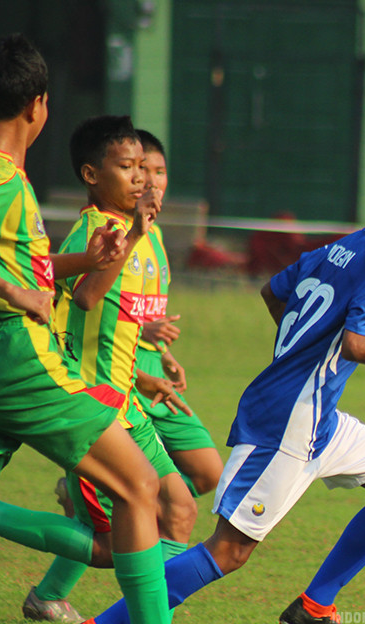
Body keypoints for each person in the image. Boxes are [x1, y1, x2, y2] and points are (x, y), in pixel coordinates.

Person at [61, 136, 365, 624]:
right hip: (290, 420)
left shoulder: (344, 245)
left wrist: (298, 350)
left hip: (315, 412)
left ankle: (315, 604)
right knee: (228, 552)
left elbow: (273, 291)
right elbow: (355, 342)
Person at [0, 34, 241, 624]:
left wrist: (69, 264)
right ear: (39, 106)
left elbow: (22, 261)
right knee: (140, 487)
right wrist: (14, 289)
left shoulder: (1, 178)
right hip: (15, 358)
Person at [18, 118, 205, 624]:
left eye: (145, 168)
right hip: (96, 403)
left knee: (181, 510)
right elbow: (84, 296)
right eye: (130, 168)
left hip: (128, 397)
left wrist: (149, 357)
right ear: (92, 175)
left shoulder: (144, 232)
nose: (142, 178)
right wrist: (135, 233)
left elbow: (112, 318)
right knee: (113, 543)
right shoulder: (95, 228)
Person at [133, 129, 223, 498]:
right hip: (122, 381)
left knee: (209, 475)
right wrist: (141, 333)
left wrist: (165, 354)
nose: (153, 180)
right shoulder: (113, 234)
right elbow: (88, 314)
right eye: (141, 169)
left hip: (159, 380)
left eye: (160, 171)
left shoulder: (155, 236)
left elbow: (146, 313)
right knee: (154, 508)